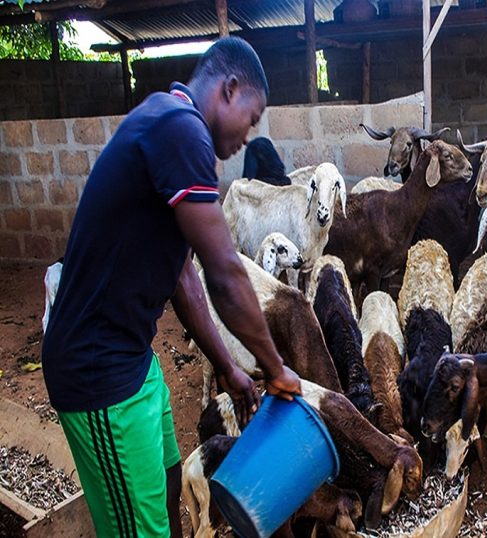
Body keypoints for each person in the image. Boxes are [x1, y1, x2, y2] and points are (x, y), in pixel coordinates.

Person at [41, 37, 302, 538]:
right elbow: (224, 272)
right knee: (139, 530)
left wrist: (229, 369)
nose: (250, 137)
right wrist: (275, 369)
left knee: (165, 493)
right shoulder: (181, 130)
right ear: (229, 89)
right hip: (99, 374)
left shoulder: (170, 125)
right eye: (253, 117)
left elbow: (185, 278)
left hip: (136, 361)